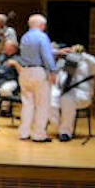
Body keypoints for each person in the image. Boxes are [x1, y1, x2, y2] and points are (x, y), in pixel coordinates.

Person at [18, 14, 58, 142]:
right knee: (42, 104)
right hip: (38, 72)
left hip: (24, 71)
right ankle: (39, 134)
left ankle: (24, 132)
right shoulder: (42, 36)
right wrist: (53, 71)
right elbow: (46, 56)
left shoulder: (25, 37)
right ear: (42, 25)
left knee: (27, 103)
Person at [50, 46, 95, 142]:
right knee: (49, 97)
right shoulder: (67, 63)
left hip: (82, 95)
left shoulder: (88, 64)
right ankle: (57, 125)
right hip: (65, 93)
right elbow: (60, 81)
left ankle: (65, 132)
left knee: (67, 98)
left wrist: (82, 54)